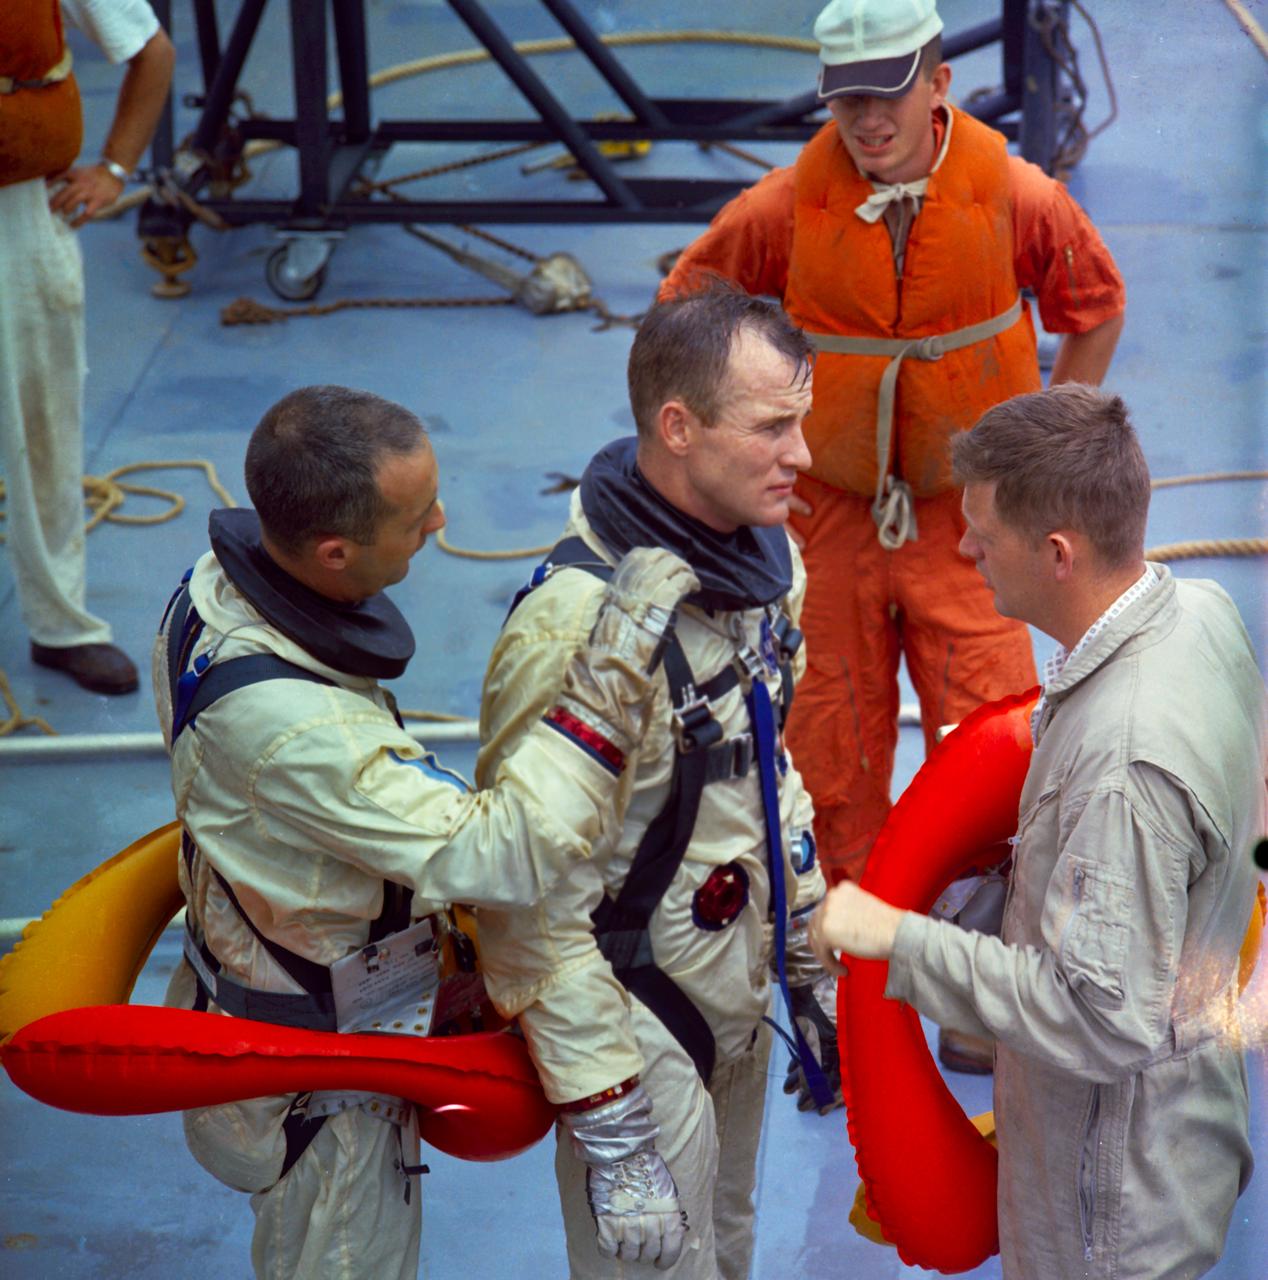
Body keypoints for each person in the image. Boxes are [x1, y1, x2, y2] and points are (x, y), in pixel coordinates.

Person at [154, 385, 699, 1280]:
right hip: (320, 1093)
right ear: (334, 552)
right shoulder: (294, 733)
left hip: (290, 979)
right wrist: (606, 677)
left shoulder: (209, 592)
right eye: (417, 518)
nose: (443, 520)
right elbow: (506, 855)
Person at [660, 0, 1127, 891]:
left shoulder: (1018, 195)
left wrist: (1042, 461)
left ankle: (980, 989)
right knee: (825, 751)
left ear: (939, 85)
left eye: (889, 95)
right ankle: (846, 973)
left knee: (996, 748)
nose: (869, 120)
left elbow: (1094, 306)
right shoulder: (786, 206)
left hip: (972, 526)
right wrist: (741, 469)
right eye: (847, 101)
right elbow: (685, 314)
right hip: (825, 521)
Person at [810, 383, 1265, 1280]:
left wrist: (897, 941)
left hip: (1108, 1212)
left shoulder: (1122, 767)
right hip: (1180, 1129)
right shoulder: (1202, 614)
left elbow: (1100, 1019)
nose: (963, 545)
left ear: (1057, 552)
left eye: (983, 529)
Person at [474, 282, 838, 1278]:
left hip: (736, 976)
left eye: (800, 422)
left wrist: (805, 952)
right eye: (772, 426)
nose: (801, 456)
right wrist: (609, 1118)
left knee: (725, 1248)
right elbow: (519, 890)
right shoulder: (574, 629)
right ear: (678, 427)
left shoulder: (768, 570)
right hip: (631, 1010)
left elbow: (767, 762)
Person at [0, 0, 173, 694]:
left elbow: (151, 52)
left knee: (43, 420)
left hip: (21, 212)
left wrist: (114, 167)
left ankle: (60, 625)